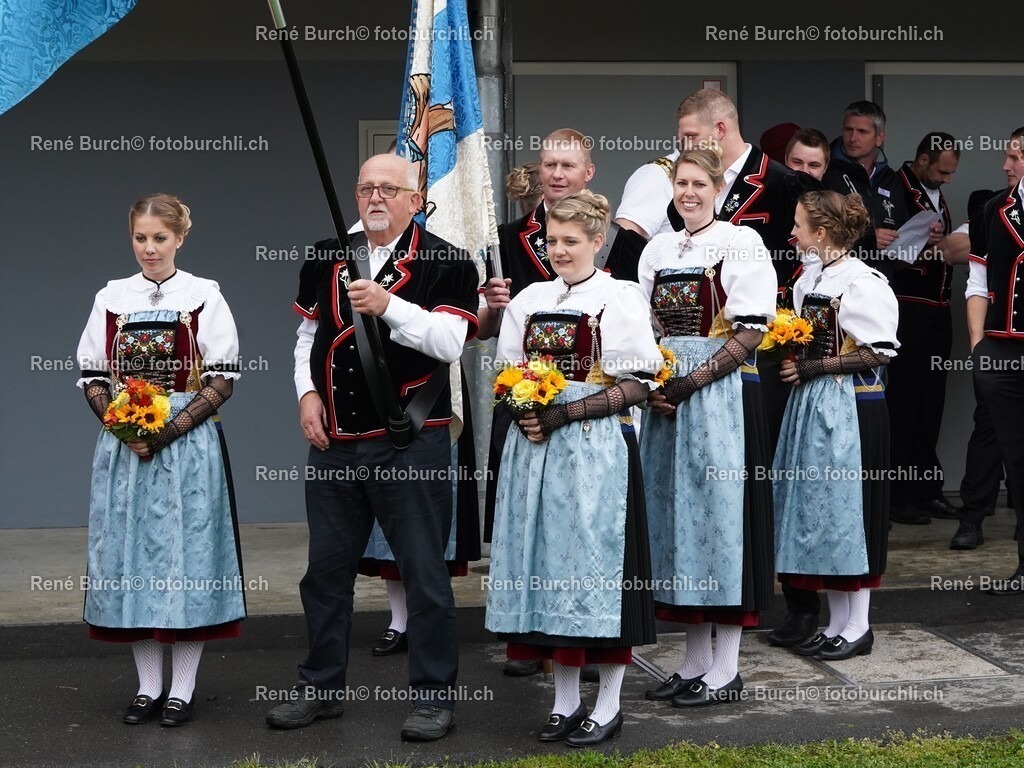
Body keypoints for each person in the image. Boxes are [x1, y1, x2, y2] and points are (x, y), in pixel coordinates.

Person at [266, 154, 479, 740]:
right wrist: (307, 394)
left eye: (389, 188)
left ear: (417, 198)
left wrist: (390, 307)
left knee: (423, 575)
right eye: (366, 188)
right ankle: (320, 688)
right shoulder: (326, 253)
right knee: (325, 574)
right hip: (334, 442)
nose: (376, 197)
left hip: (410, 440)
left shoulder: (448, 260)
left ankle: (434, 698)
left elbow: (449, 341)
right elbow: (308, 336)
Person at [485, 191, 661, 746]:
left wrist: (564, 413)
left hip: (596, 451)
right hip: (536, 454)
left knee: (595, 573)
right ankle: (563, 702)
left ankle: (607, 703)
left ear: (596, 241)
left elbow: (639, 383)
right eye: (551, 241)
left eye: (570, 241)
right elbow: (506, 372)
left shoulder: (620, 297)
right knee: (548, 572)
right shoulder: (529, 299)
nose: (558, 250)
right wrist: (526, 413)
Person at [76, 193, 245, 727]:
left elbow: (221, 375)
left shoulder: (204, 295)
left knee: (187, 560)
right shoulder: (111, 297)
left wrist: (169, 428)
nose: (149, 249)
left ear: (180, 238)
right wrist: (121, 426)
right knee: (131, 561)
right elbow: (93, 374)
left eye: (159, 239)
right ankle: (148, 685)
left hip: (188, 445)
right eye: (140, 238)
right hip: (125, 445)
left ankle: (184, 687)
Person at [638, 148, 777, 707]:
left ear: (719, 189)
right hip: (668, 400)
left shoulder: (741, 243)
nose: (689, 193)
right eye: (681, 184)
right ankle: (694, 661)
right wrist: (654, 385)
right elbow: (645, 326)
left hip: (720, 400)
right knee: (677, 524)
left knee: (721, 521)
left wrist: (687, 385)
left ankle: (726, 669)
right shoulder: (657, 249)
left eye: (699, 184)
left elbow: (749, 333)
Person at [477, 130, 596, 678]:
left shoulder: (615, 239)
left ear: (587, 172)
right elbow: (487, 332)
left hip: (586, 403)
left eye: (567, 164)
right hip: (523, 399)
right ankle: (526, 637)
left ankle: (581, 637)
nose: (556, 173)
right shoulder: (504, 238)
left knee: (580, 521)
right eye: (548, 163)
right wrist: (492, 308)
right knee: (520, 516)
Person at [774, 191, 899, 660]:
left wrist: (814, 368)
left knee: (853, 512)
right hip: (816, 406)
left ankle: (858, 625)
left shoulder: (863, 282)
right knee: (825, 514)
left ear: (821, 233)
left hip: (855, 405)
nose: (792, 233)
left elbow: (880, 350)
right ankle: (839, 623)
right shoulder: (812, 277)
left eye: (799, 225)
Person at [951, 130, 1024, 550]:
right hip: (1003, 347)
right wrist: (979, 347)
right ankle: (976, 517)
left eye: (1014, 156)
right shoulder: (993, 209)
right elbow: (976, 281)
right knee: (999, 439)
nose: (1004, 165)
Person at [887, 133, 961, 526]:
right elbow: (885, 248)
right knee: (905, 402)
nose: (947, 180)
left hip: (938, 309)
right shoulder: (893, 187)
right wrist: (929, 248)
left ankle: (926, 489)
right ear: (921, 160)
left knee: (930, 404)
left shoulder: (933, 190)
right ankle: (899, 495)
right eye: (942, 172)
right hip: (908, 309)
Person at [821, 100, 908, 274]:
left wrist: (925, 236)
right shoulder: (825, 170)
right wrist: (868, 239)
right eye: (848, 130)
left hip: (881, 283)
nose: (853, 138)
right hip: (836, 281)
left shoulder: (891, 179)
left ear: (879, 137)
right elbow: (816, 229)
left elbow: (903, 233)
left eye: (862, 132)